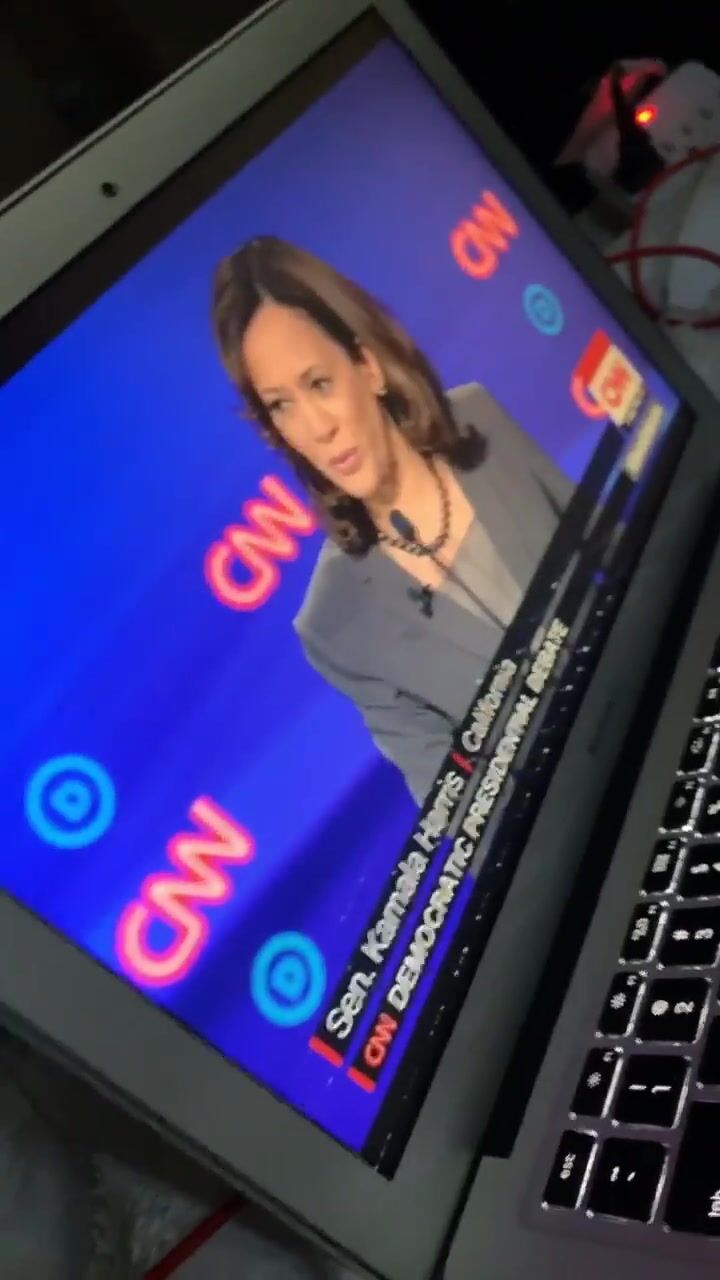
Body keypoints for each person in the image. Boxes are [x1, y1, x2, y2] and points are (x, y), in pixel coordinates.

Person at [211, 236, 574, 803]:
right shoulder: (333, 622)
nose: (316, 428)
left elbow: (625, 550)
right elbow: (460, 808)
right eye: (280, 405)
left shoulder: (481, 422)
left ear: (368, 366)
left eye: (319, 384)